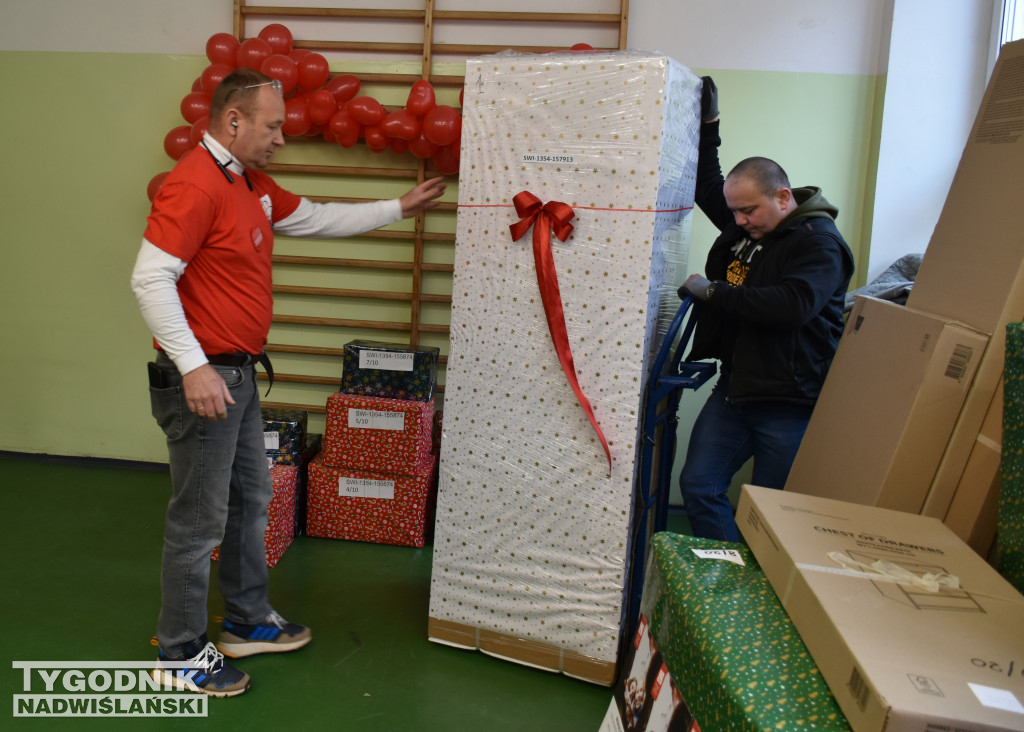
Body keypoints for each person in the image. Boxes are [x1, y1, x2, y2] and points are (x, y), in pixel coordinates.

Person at [130, 67, 446, 697]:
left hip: (238, 376)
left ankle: (246, 619)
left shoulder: (248, 184)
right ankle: (179, 649)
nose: (281, 137)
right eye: (272, 126)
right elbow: (150, 277)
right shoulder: (195, 184)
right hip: (206, 378)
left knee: (253, 500)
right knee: (198, 521)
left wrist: (397, 207)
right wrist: (193, 366)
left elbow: (317, 218)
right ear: (233, 120)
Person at [676, 77, 854, 542]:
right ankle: (730, 588)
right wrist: (709, 124)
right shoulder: (747, 226)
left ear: (782, 197)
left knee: (772, 517)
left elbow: (793, 305)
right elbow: (707, 181)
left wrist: (712, 292)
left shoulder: (820, 244)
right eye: (734, 212)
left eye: (747, 211)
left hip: (789, 401)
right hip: (736, 391)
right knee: (699, 486)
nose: (737, 220)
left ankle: (763, 597)